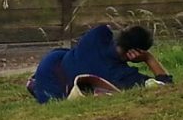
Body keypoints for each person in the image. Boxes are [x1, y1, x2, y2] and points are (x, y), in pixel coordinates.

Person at [27, 24, 173, 104]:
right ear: (136, 52)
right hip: (56, 94)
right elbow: (165, 85)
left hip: (49, 67)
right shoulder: (121, 75)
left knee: (68, 53)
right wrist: (149, 58)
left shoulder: (98, 33)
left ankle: (36, 83)